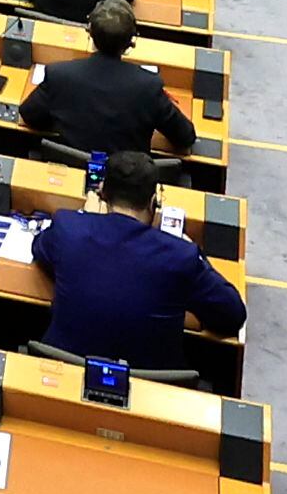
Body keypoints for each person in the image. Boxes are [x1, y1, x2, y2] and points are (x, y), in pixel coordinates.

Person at [36, 150, 243, 369]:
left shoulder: (68, 228)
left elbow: (41, 248)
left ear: (102, 192)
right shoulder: (181, 256)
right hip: (153, 390)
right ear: (154, 202)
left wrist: (85, 217)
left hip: (64, 374)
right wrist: (195, 253)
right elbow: (232, 315)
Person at [22, 0, 196, 158]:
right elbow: (185, 137)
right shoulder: (149, 86)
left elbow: (30, 116)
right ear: (131, 41)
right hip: (124, 180)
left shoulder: (59, 75)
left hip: (71, 172)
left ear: (91, 34)